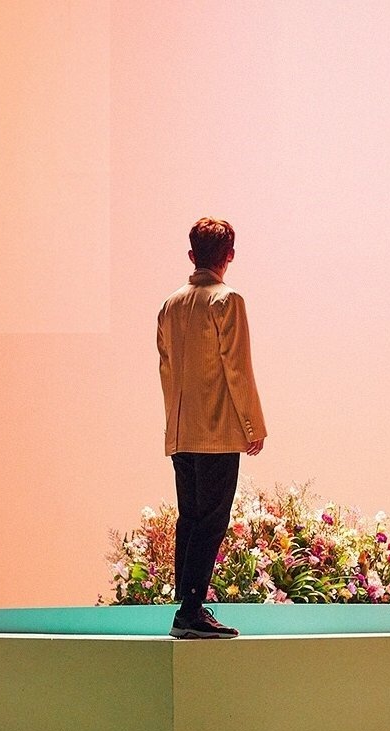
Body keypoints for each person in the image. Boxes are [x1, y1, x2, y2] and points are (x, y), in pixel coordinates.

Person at [157, 217, 267, 639]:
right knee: (212, 520)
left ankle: (187, 604)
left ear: (192, 255)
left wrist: (175, 424)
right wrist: (252, 424)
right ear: (229, 256)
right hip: (216, 430)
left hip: (181, 430)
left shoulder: (170, 304)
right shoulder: (227, 299)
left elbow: (166, 369)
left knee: (190, 517)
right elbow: (237, 367)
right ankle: (190, 609)